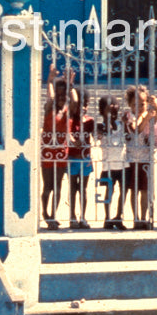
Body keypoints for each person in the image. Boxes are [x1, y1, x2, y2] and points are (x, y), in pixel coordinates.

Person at [41, 64, 74, 230]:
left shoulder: (68, 111)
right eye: (59, 92)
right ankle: (45, 214)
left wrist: (71, 84)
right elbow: (51, 97)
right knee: (48, 186)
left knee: (58, 187)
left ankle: (53, 215)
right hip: (47, 152)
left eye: (64, 93)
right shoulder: (49, 109)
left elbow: (74, 100)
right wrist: (50, 80)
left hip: (62, 152)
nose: (61, 96)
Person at [123, 84, 157, 230]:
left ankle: (144, 217)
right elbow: (136, 131)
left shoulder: (148, 115)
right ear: (129, 105)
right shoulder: (128, 117)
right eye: (134, 104)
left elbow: (155, 118)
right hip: (132, 159)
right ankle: (136, 218)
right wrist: (146, 116)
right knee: (134, 190)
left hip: (146, 159)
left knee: (145, 190)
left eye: (142, 104)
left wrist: (156, 107)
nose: (138, 107)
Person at [96, 95, 126, 230]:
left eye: (115, 109)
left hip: (123, 163)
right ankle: (107, 218)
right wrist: (108, 120)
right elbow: (100, 135)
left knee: (123, 191)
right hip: (108, 164)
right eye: (109, 109)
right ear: (102, 111)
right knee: (109, 191)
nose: (113, 112)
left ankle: (118, 216)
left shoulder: (121, 124)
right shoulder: (99, 126)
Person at [68, 91, 94, 229]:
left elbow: (96, 135)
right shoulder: (71, 120)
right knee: (73, 188)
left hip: (85, 158)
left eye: (85, 105)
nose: (83, 108)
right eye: (80, 105)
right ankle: (72, 217)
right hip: (73, 158)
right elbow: (67, 133)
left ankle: (83, 217)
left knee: (83, 189)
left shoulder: (90, 121)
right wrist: (73, 141)